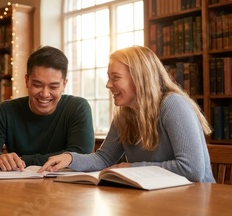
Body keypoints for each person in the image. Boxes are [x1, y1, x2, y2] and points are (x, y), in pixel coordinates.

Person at [39, 45, 215, 182]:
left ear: (140, 77)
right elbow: (104, 158)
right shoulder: (125, 114)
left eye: (115, 77)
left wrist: (132, 168)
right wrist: (70, 158)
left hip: (196, 200)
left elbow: (192, 169)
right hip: (155, 200)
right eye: (108, 77)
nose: (108, 85)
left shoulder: (172, 104)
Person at [0, 46, 95, 170]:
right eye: (37, 85)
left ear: (64, 84)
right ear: (27, 81)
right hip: (19, 187)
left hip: (66, 189)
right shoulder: (6, 110)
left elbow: (80, 157)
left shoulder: (78, 108)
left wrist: (21, 161)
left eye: (53, 87)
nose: (45, 94)